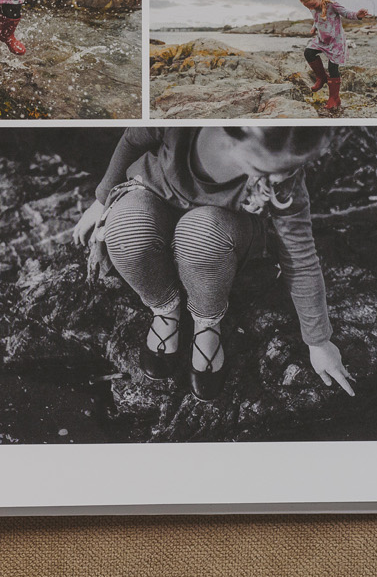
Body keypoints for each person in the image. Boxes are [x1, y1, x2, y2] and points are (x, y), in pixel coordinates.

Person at [72, 126, 356, 401]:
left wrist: (318, 341)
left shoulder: (282, 177)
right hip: (153, 192)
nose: (280, 177)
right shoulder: (181, 120)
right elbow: (132, 140)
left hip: (220, 228)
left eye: (287, 170)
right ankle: (165, 309)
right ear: (236, 132)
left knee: (200, 235)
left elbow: (301, 258)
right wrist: (101, 199)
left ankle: (207, 323)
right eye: (264, 169)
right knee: (125, 230)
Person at [298, 0, 371, 112]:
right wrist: (314, 27)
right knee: (308, 53)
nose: (311, 8)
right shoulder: (313, 8)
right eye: (308, 7)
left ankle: (334, 98)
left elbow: (346, 13)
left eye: (312, 5)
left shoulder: (332, 5)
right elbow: (317, 18)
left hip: (335, 41)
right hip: (322, 40)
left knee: (333, 68)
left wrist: (358, 15)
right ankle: (321, 77)